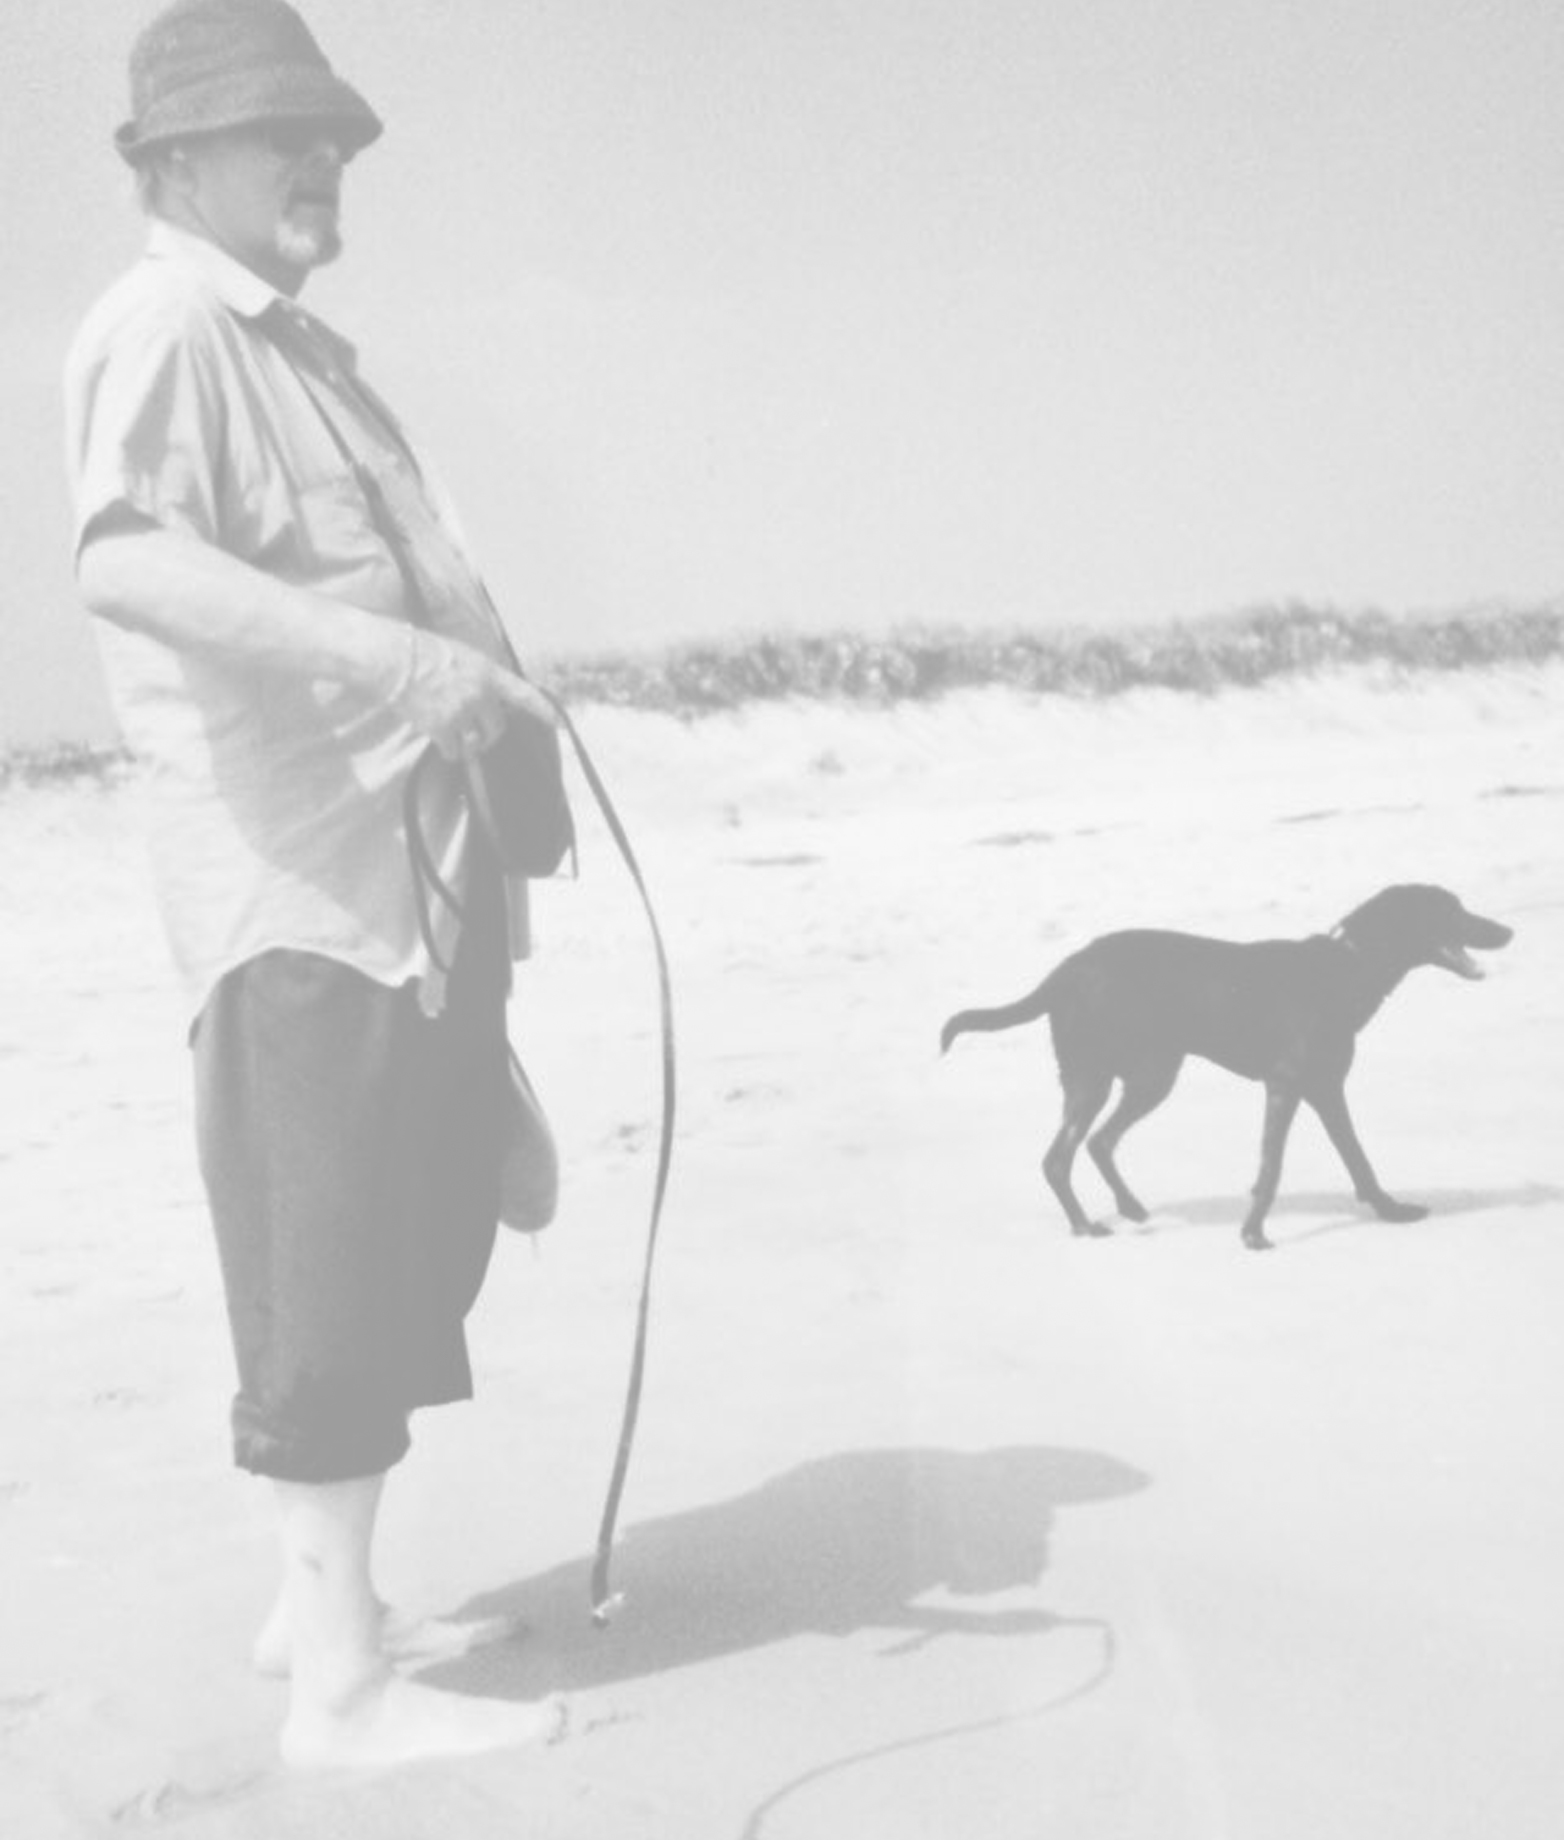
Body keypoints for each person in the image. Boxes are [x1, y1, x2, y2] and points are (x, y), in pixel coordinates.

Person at [65, 0, 566, 1767]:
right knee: (337, 1267)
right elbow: (125, 556)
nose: (325, 164)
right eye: (285, 135)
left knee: (409, 1236)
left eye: (336, 135)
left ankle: (316, 1613)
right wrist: (403, 674)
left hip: (405, 886)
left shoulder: (296, 347)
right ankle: (344, 1702)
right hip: (302, 893)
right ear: (173, 161)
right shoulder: (166, 323)